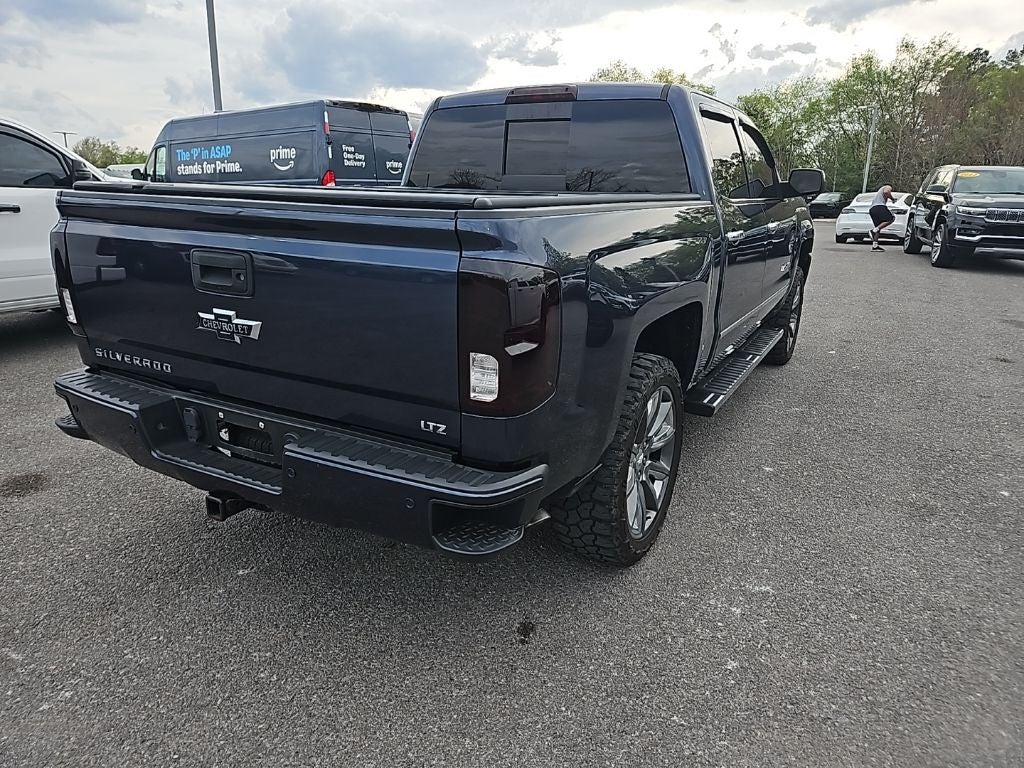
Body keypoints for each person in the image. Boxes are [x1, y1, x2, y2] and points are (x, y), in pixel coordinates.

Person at [868, 185, 897, 251]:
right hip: (879, 206)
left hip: (872, 209)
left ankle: (875, 246)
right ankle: (872, 231)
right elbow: (886, 192)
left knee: (878, 227)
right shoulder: (887, 186)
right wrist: (892, 199)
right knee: (891, 218)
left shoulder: (879, 192)